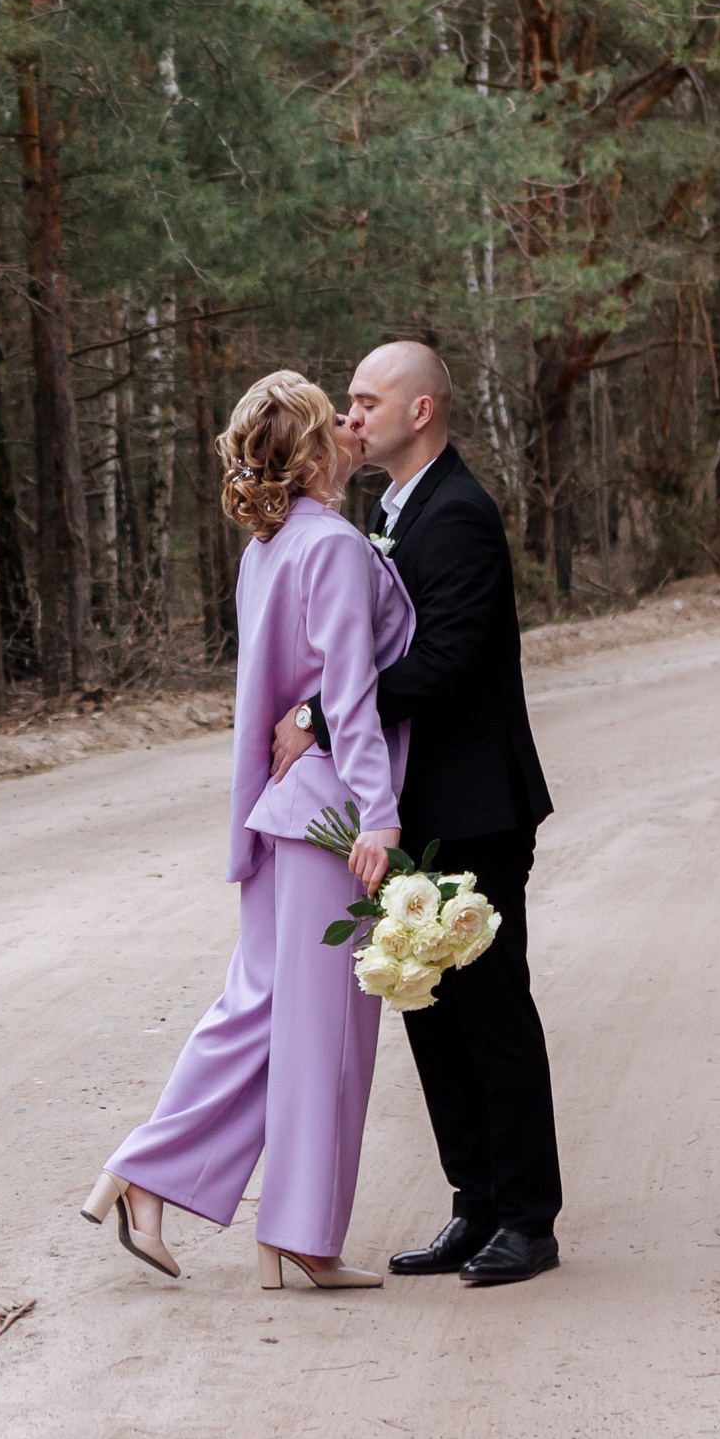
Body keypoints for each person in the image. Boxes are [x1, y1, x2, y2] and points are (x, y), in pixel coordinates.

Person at [81, 370, 414, 1290]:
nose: (352, 432)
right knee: (329, 1039)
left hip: (279, 817)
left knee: (258, 1010)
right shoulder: (334, 547)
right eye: (332, 426)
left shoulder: (264, 552)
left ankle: (145, 1176)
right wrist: (379, 814)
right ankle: (296, 1233)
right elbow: (347, 694)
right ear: (310, 455)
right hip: (329, 813)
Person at [269, 340, 562, 1287]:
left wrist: (320, 714)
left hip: (474, 808)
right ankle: (472, 1206)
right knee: (429, 1014)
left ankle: (527, 1217)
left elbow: (443, 665)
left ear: (419, 412)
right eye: (347, 403)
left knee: (491, 1013)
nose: (350, 417)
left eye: (364, 400)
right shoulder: (391, 513)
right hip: (406, 807)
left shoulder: (460, 516)